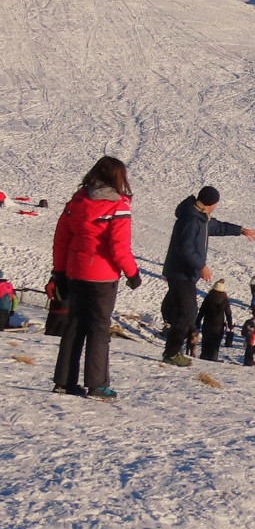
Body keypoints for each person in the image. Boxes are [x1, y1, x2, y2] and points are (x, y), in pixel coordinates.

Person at [49, 157, 142, 399]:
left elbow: (61, 239)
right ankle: (98, 384)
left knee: (74, 326)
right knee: (99, 329)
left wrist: (58, 271)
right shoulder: (118, 206)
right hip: (102, 277)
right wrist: (132, 273)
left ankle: (64, 381)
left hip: (75, 272)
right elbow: (119, 247)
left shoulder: (77, 201)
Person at [160, 186, 255, 366]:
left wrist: (240, 230)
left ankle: (171, 349)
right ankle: (172, 352)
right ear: (211, 203)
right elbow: (185, 248)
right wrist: (202, 266)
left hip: (185, 274)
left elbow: (218, 227)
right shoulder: (191, 219)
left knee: (185, 312)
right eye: (216, 204)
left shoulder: (200, 218)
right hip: (181, 273)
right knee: (188, 313)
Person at [196, 279, 233, 362]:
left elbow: (202, 311)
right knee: (216, 342)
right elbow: (228, 313)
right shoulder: (225, 299)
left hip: (207, 323)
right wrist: (230, 324)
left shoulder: (208, 297)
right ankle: (213, 357)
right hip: (219, 325)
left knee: (206, 341)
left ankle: (204, 356)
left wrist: (197, 322)